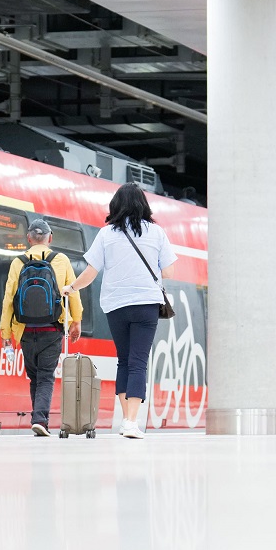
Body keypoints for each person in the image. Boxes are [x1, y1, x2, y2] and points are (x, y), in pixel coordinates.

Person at [62, 182, 177, 440]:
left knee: (123, 361)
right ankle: (131, 422)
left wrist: (71, 287)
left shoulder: (106, 234)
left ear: (115, 206)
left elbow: (91, 272)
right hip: (146, 305)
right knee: (138, 362)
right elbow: (169, 271)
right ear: (143, 205)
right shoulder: (156, 233)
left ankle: (127, 419)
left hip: (116, 307)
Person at [0, 218, 83, 436]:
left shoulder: (18, 262)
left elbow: (9, 299)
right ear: (50, 238)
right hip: (52, 328)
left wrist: (5, 333)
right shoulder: (61, 260)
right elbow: (73, 292)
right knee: (46, 375)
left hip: (25, 329)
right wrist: (76, 321)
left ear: (28, 238)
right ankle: (40, 419)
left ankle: (38, 417)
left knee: (35, 376)